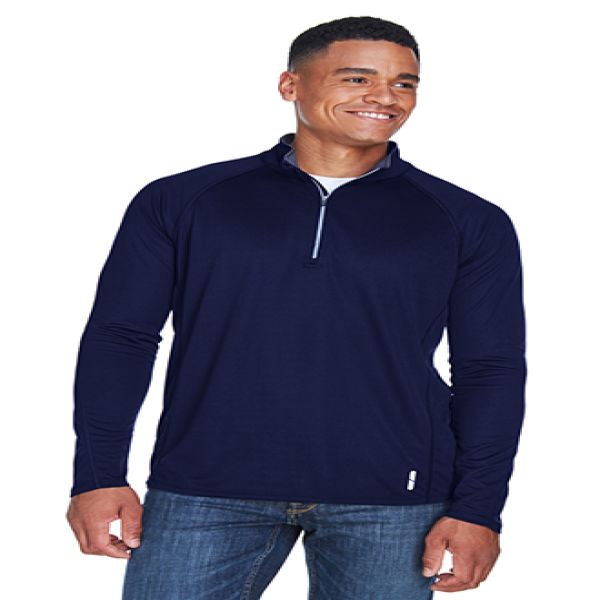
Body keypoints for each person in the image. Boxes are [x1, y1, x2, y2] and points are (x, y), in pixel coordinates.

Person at [65, 15, 527, 599]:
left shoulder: (467, 220)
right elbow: (121, 338)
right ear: (291, 85)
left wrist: (479, 508)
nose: (385, 96)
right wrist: (98, 475)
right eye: (357, 78)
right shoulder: (183, 201)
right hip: (203, 486)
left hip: (392, 497)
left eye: (404, 83)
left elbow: (490, 369)